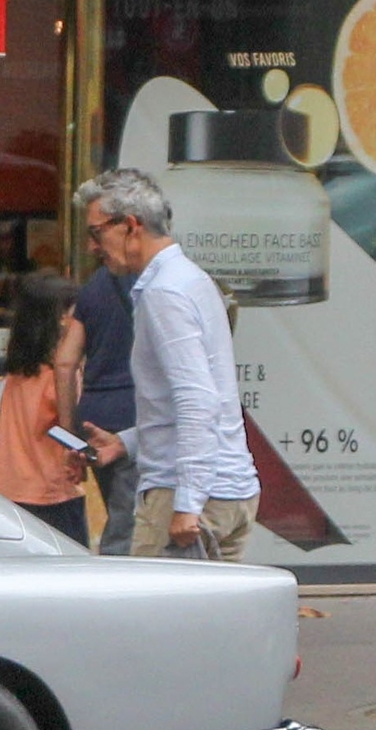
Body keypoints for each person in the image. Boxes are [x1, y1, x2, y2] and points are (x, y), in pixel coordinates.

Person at [76, 168, 260, 560]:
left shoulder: (164, 292)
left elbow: (197, 401)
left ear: (130, 226)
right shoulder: (189, 279)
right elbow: (197, 399)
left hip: (188, 496)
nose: (92, 247)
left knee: (148, 619)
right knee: (208, 621)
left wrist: (188, 504)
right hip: (227, 491)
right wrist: (126, 443)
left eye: (96, 233)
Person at [0, 272, 90, 544]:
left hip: (11, 488)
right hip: (54, 490)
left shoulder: (17, 375)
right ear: (61, 318)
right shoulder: (61, 374)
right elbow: (65, 428)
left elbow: (1, 424)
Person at [55, 263, 139, 553]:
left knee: (119, 514)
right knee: (129, 527)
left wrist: (70, 439)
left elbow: (65, 362)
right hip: (135, 418)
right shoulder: (152, 281)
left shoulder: (92, 288)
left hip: (95, 415)